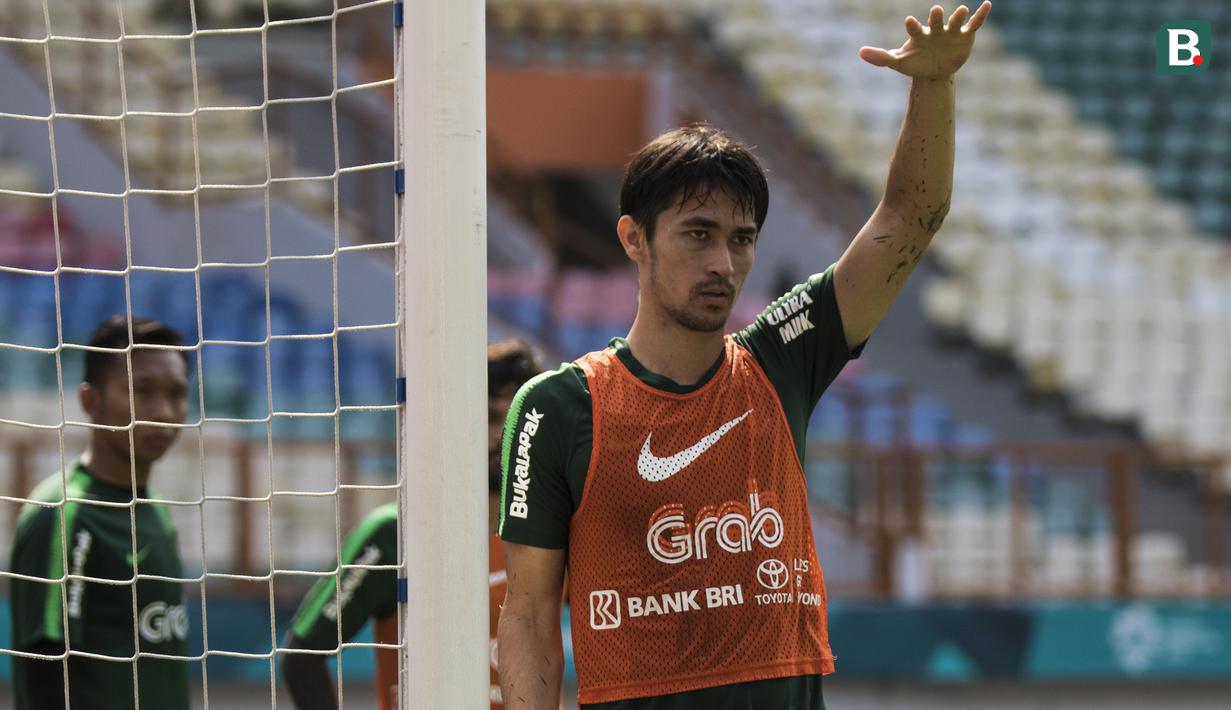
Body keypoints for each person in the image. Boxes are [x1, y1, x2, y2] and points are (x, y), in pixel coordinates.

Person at [496, 4, 992, 708]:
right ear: (634, 239)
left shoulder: (782, 358)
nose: (723, 264)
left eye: (741, 239)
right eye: (698, 235)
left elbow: (911, 215)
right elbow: (527, 617)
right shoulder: (557, 408)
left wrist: (933, 87)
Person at [282, 339, 544, 710]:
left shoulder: (553, 529)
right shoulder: (396, 534)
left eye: (519, 419)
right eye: (489, 416)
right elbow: (301, 658)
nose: (504, 434)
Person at [9, 316, 192, 710]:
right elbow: (45, 672)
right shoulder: (64, 512)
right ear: (90, 400)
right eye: (142, 391)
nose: (163, 411)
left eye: (176, 394)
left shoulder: (158, 511)